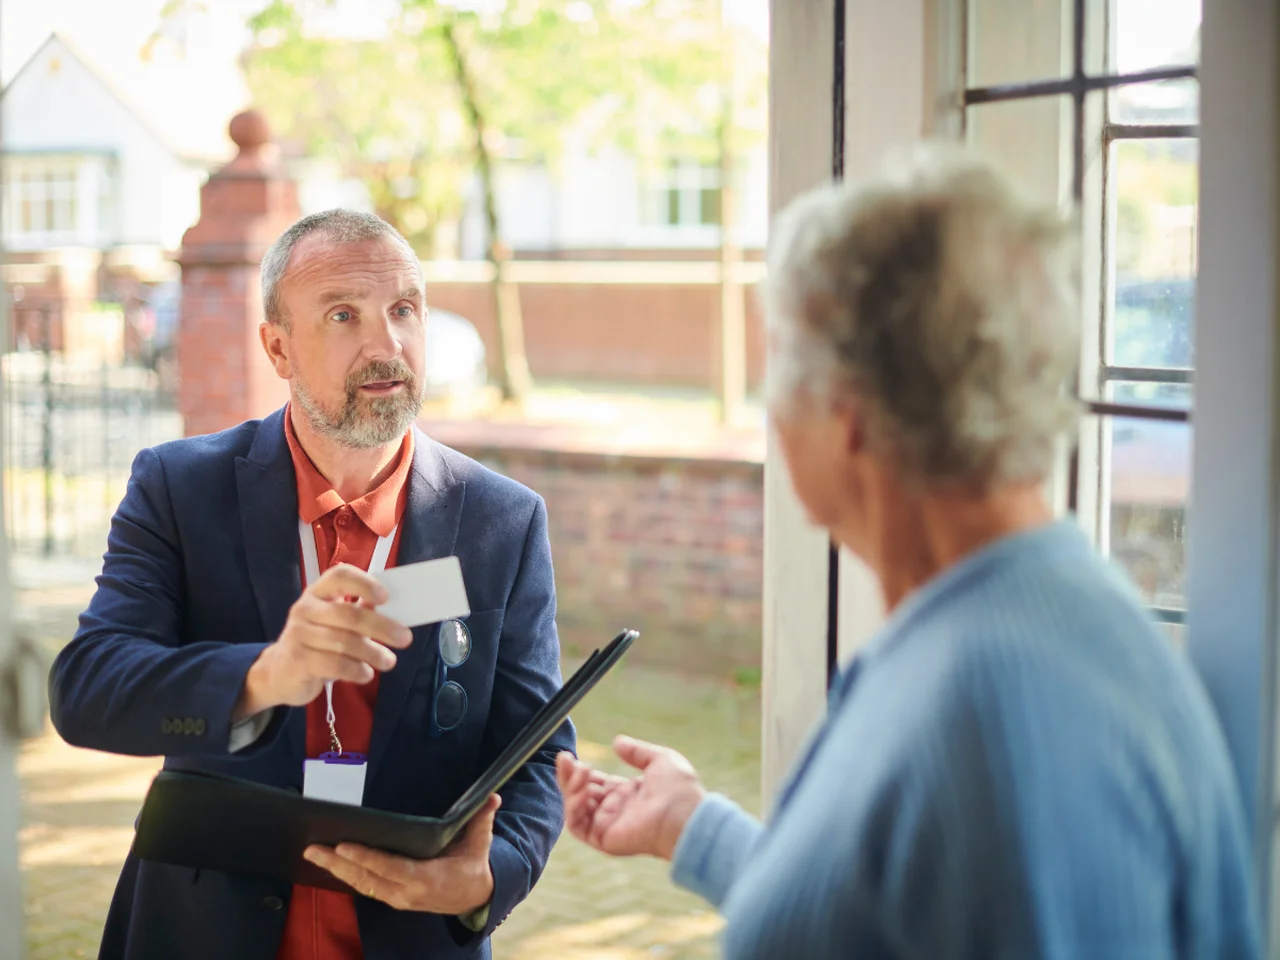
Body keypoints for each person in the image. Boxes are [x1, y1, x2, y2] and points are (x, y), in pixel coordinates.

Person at [556, 145, 1261, 959]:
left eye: (778, 359)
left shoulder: (1005, 712)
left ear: (845, 408)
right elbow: (897, 917)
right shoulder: (1007, 621)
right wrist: (691, 829)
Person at [48, 210, 573, 960]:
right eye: (342, 315)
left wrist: (488, 878)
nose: (385, 345)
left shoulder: (502, 521)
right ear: (277, 348)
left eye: (403, 310)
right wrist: (265, 675)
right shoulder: (179, 488)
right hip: (203, 933)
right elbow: (87, 690)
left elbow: (538, 753)